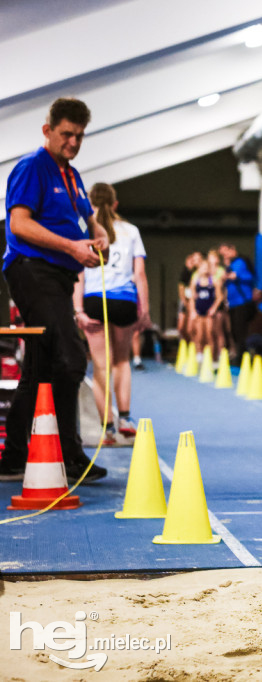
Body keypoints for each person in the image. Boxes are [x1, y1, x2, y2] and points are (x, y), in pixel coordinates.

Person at [0, 97, 109, 483]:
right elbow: (19, 225)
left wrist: (98, 234)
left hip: (59, 278)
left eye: (79, 136)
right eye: (67, 134)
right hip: (33, 272)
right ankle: (69, 455)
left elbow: (87, 217)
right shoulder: (33, 167)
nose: (74, 142)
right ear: (47, 131)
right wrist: (71, 247)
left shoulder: (73, 175)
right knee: (71, 358)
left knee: (42, 367)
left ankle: (13, 455)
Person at [72, 182, 149, 445]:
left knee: (101, 365)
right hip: (124, 300)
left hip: (94, 299)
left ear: (90, 204)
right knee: (121, 361)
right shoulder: (131, 231)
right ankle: (125, 419)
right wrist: (145, 310)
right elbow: (139, 274)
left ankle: (107, 429)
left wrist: (78, 309)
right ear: (115, 204)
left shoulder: (85, 229)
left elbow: (78, 273)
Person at [218, 243, 258, 363]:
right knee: (234, 330)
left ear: (232, 250)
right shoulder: (229, 265)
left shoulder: (240, 262)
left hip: (242, 301)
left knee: (241, 331)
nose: (224, 256)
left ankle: (243, 357)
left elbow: (246, 277)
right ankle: (239, 355)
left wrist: (232, 276)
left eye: (225, 252)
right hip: (233, 302)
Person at [189, 257, 224, 358]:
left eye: (206, 267)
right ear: (199, 269)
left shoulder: (213, 281)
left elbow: (220, 297)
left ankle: (212, 356)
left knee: (209, 333)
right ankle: (199, 354)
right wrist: (192, 311)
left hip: (209, 311)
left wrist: (213, 308)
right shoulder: (195, 281)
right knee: (199, 334)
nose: (205, 269)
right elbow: (192, 297)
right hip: (199, 310)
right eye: (202, 267)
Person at [177, 251, 202, 350]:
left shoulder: (198, 273)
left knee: (192, 328)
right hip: (186, 301)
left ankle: (195, 349)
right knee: (182, 327)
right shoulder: (185, 273)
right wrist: (185, 301)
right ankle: (187, 347)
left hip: (195, 302)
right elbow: (181, 288)